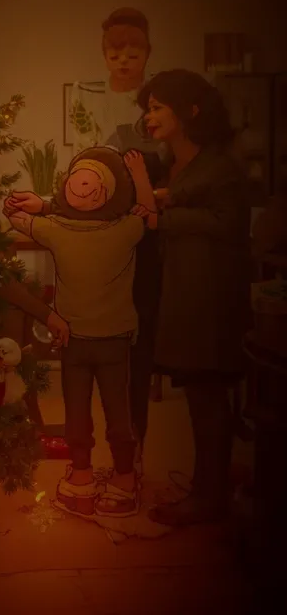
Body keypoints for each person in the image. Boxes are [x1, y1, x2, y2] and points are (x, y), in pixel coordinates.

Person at [127, 69, 251, 526]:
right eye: (148, 107)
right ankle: (205, 489)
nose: (150, 115)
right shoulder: (170, 162)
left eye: (158, 107)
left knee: (207, 396)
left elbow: (232, 227)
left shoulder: (222, 165)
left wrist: (167, 217)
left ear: (190, 111)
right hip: (179, 293)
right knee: (200, 396)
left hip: (209, 299)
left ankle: (210, 498)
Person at [4, 146, 153, 521]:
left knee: (89, 411)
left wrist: (41, 205)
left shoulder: (58, 228)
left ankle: (102, 474)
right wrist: (139, 177)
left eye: (92, 181)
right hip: (100, 339)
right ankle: (112, 475)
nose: (83, 185)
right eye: (80, 178)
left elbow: (13, 218)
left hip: (88, 339)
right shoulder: (125, 228)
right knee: (99, 411)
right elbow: (150, 216)